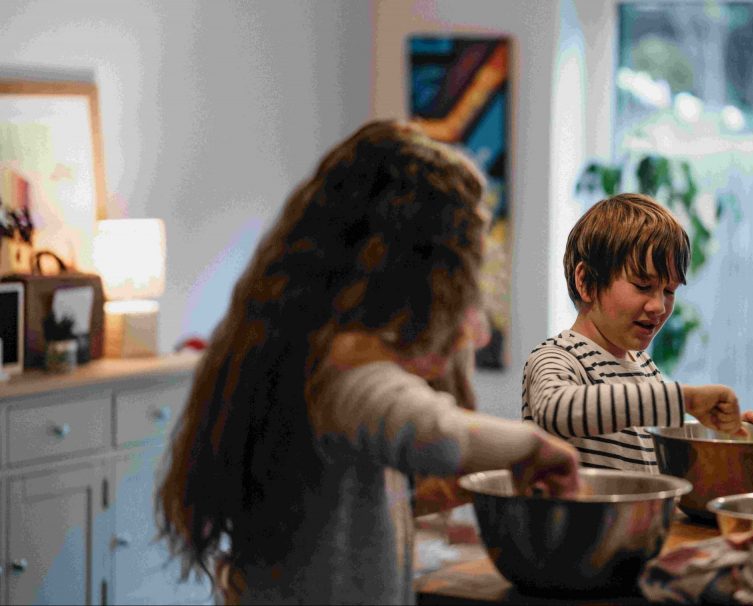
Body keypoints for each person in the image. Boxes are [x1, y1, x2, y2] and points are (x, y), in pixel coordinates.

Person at [156, 119, 580, 605]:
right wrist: (535, 447)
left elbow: (321, 513)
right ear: (420, 269)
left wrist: (413, 498)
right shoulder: (339, 368)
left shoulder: (294, 340)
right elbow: (432, 431)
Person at [522, 193, 753, 473]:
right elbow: (555, 409)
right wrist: (685, 399)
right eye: (643, 285)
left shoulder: (646, 368)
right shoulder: (557, 357)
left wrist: (722, 431)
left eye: (669, 291)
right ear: (586, 281)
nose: (659, 306)